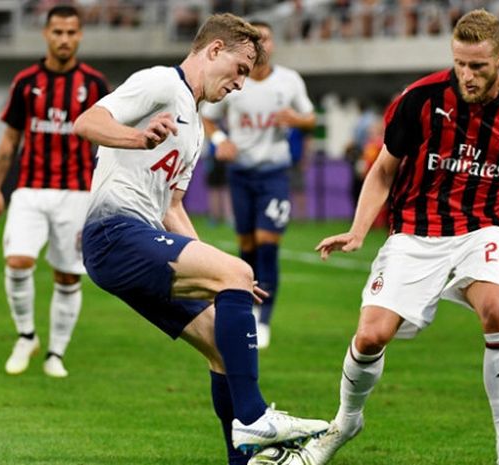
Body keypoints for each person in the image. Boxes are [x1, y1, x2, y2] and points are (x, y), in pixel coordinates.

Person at [305, 9, 499, 465]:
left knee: (497, 309)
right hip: (415, 232)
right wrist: (357, 230)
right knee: (371, 337)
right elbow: (383, 170)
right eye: (460, 64)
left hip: (481, 229)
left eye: (479, 66)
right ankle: (346, 420)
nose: (467, 76)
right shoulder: (420, 99)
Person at [73, 13, 327, 465]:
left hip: (139, 237)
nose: (240, 85)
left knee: (221, 344)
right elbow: (87, 122)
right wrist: (136, 137)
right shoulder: (160, 83)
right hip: (113, 232)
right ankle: (254, 416)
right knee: (238, 272)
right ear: (214, 50)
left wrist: (220, 270)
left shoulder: (193, 127)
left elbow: (172, 209)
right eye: (240, 70)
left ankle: (243, 459)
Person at [0, 5, 109, 378]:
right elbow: (10, 139)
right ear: (46, 34)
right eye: (57, 32)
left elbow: (107, 141)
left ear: (80, 36)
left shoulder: (94, 84)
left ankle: (55, 352)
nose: (64, 39)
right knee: (18, 261)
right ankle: (26, 335)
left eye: (71, 32)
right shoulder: (26, 81)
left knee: (68, 276)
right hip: (29, 189)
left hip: (76, 192)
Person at [201, 20, 316, 350]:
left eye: (265, 38)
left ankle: (264, 319)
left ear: (272, 44)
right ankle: (248, 311)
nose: (261, 45)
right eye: (254, 40)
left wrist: (296, 120)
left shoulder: (289, 81)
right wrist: (220, 140)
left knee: (268, 244)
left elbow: (310, 117)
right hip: (240, 174)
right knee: (247, 247)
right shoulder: (237, 80)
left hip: (274, 174)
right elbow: (208, 116)